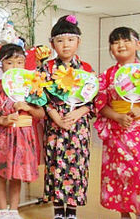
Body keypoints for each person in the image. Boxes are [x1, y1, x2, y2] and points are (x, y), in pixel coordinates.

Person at [94, 27, 140, 219]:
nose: (121, 45)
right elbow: (100, 104)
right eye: (115, 42)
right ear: (111, 49)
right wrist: (116, 116)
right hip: (116, 134)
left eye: (126, 40)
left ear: (137, 45)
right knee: (117, 175)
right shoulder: (106, 75)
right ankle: (124, 213)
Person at [40, 15, 93, 219]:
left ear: (78, 42)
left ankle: (72, 211)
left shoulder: (86, 69)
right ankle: (57, 211)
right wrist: (57, 118)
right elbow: (41, 98)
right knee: (55, 166)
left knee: (77, 167)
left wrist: (76, 113)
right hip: (55, 126)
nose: (65, 45)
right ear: (52, 43)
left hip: (78, 126)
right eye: (60, 40)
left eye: (70, 40)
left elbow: (93, 99)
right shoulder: (46, 69)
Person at [0, 43, 45, 219]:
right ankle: (3, 209)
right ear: (1, 65)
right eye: (10, 62)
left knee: (17, 175)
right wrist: (3, 120)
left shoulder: (32, 86)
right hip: (2, 136)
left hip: (23, 136)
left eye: (19, 62)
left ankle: (14, 209)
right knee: (1, 175)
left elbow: (40, 112)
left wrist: (27, 106)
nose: (15, 67)